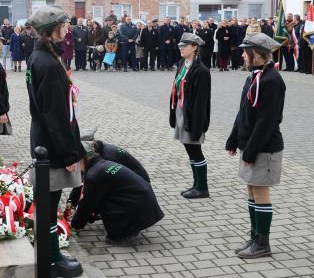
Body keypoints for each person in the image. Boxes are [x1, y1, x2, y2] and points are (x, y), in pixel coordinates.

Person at [26, 5, 84, 278]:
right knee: (50, 204)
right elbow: (55, 115)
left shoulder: (41, 56)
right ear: (52, 30)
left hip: (44, 138)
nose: (67, 29)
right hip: (52, 144)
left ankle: (49, 253)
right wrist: (70, 154)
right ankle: (51, 258)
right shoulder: (48, 63)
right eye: (64, 25)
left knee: (49, 203)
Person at [226, 33, 286, 259]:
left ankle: (263, 243)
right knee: (251, 190)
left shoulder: (272, 80)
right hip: (250, 144)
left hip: (264, 146)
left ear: (258, 54)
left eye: (246, 51)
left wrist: (250, 151)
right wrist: (234, 139)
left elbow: (266, 121)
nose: (242, 55)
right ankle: (254, 236)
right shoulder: (253, 76)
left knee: (260, 191)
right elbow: (243, 112)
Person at [70, 148, 163, 245]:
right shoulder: (102, 164)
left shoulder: (94, 175)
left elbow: (87, 203)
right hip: (145, 200)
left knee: (105, 206)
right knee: (103, 198)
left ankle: (125, 233)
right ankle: (131, 228)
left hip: (139, 204)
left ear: (82, 160)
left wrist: (75, 225)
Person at [169, 33, 211, 199]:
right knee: (189, 148)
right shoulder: (183, 64)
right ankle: (196, 184)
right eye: (180, 46)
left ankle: (202, 187)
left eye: (184, 46)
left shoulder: (201, 70)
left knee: (195, 149)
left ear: (194, 48)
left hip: (193, 115)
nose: (181, 48)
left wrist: (198, 125)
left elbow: (201, 102)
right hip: (182, 111)